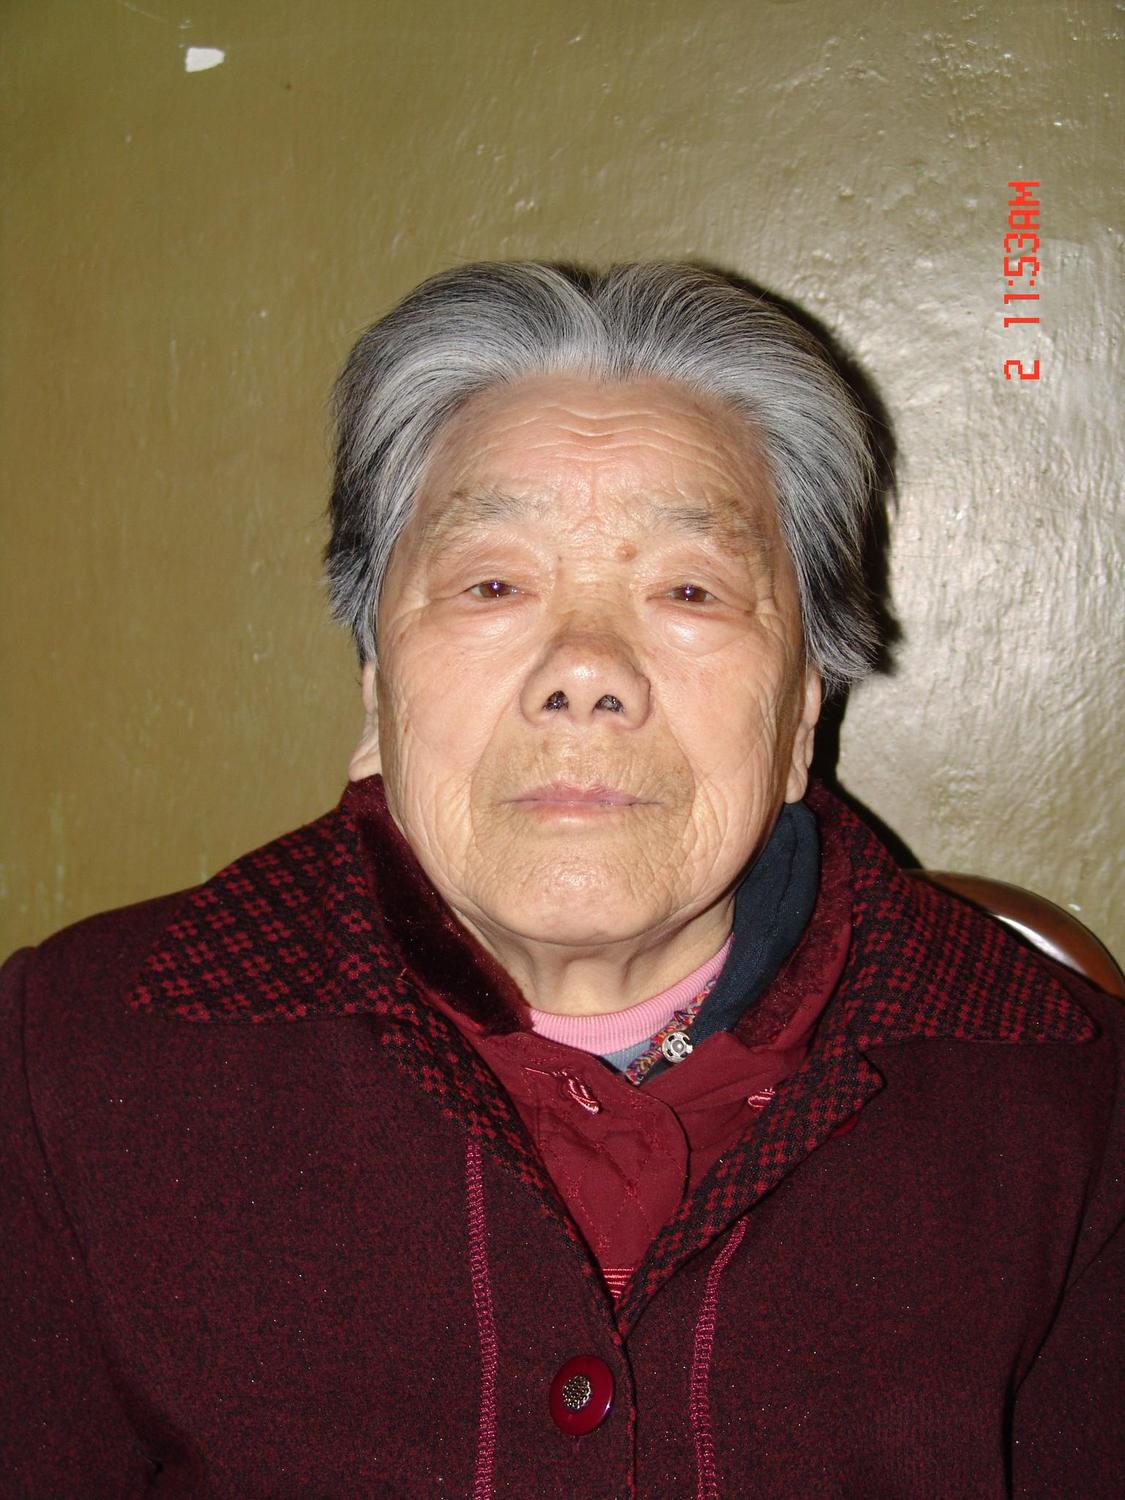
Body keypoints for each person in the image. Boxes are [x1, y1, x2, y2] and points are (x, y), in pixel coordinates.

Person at [2, 262, 1121, 1499]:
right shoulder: (68, 1065)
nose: (585, 670)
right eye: (493, 584)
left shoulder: (1072, 1108)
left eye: (689, 589)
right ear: (376, 687)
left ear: (804, 708)